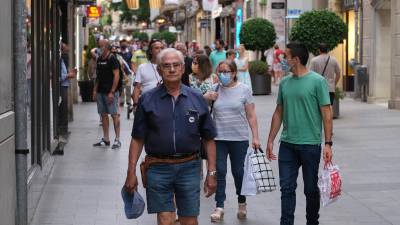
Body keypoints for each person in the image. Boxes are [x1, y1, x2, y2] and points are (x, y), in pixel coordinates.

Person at [124, 48, 218, 225]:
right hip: (158, 167)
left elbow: (209, 138)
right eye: (166, 66)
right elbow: (137, 138)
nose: (172, 69)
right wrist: (131, 172)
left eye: (176, 65)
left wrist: (212, 173)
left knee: (189, 220)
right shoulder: (147, 99)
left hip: (190, 167)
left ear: (183, 68)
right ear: (159, 70)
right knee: (165, 220)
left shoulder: (197, 98)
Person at [266, 42, 333, 225]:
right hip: (287, 144)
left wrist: (328, 143)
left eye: (285, 56)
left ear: (295, 59)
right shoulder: (285, 82)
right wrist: (271, 139)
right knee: (286, 188)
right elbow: (279, 111)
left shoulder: (317, 81)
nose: (282, 59)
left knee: (310, 189)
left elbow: (327, 113)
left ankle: (312, 222)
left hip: (310, 145)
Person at [210, 60, 260, 222]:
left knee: (239, 172)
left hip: (239, 138)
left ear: (233, 73)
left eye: (226, 71)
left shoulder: (244, 90)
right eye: (220, 71)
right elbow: (203, 109)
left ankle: (242, 202)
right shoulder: (215, 89)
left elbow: (251, 115)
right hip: (219, 138)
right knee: (221, 171)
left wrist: (256, 137)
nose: (223, 75)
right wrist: (206, 97)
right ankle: (219, 206)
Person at [92, 39, 122, 149]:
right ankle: (106, 139)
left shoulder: (112, 59)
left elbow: (117, 76)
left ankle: (117, 139)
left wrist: (112, 92)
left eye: (102, 46)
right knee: (103, 115)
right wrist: (95, 90)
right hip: (101, 91)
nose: (100, 49)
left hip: (111, 92)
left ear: (107, 47)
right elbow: (98, 76)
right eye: (99, 46)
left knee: (114, 115)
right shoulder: (99, 59)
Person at [54, 45, 77, 155]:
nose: (67, 50)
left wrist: (69, 74)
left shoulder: (61, 59)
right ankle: (59, 138)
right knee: (61, 112)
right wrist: (69, 75)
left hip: (63, 87)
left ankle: (61, 137)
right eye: (65, 49)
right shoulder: (56, 60)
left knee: (63, 113)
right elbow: (55, 77)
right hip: (60, 88)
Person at [131, 39, 164, 110]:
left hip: (164, 103)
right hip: (147, 104)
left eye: (161, 48)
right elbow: (137, 88)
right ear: (151, 51)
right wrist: (135, 105)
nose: (160, 50)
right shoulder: (142, 67)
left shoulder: (169, 66)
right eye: (157, 48)